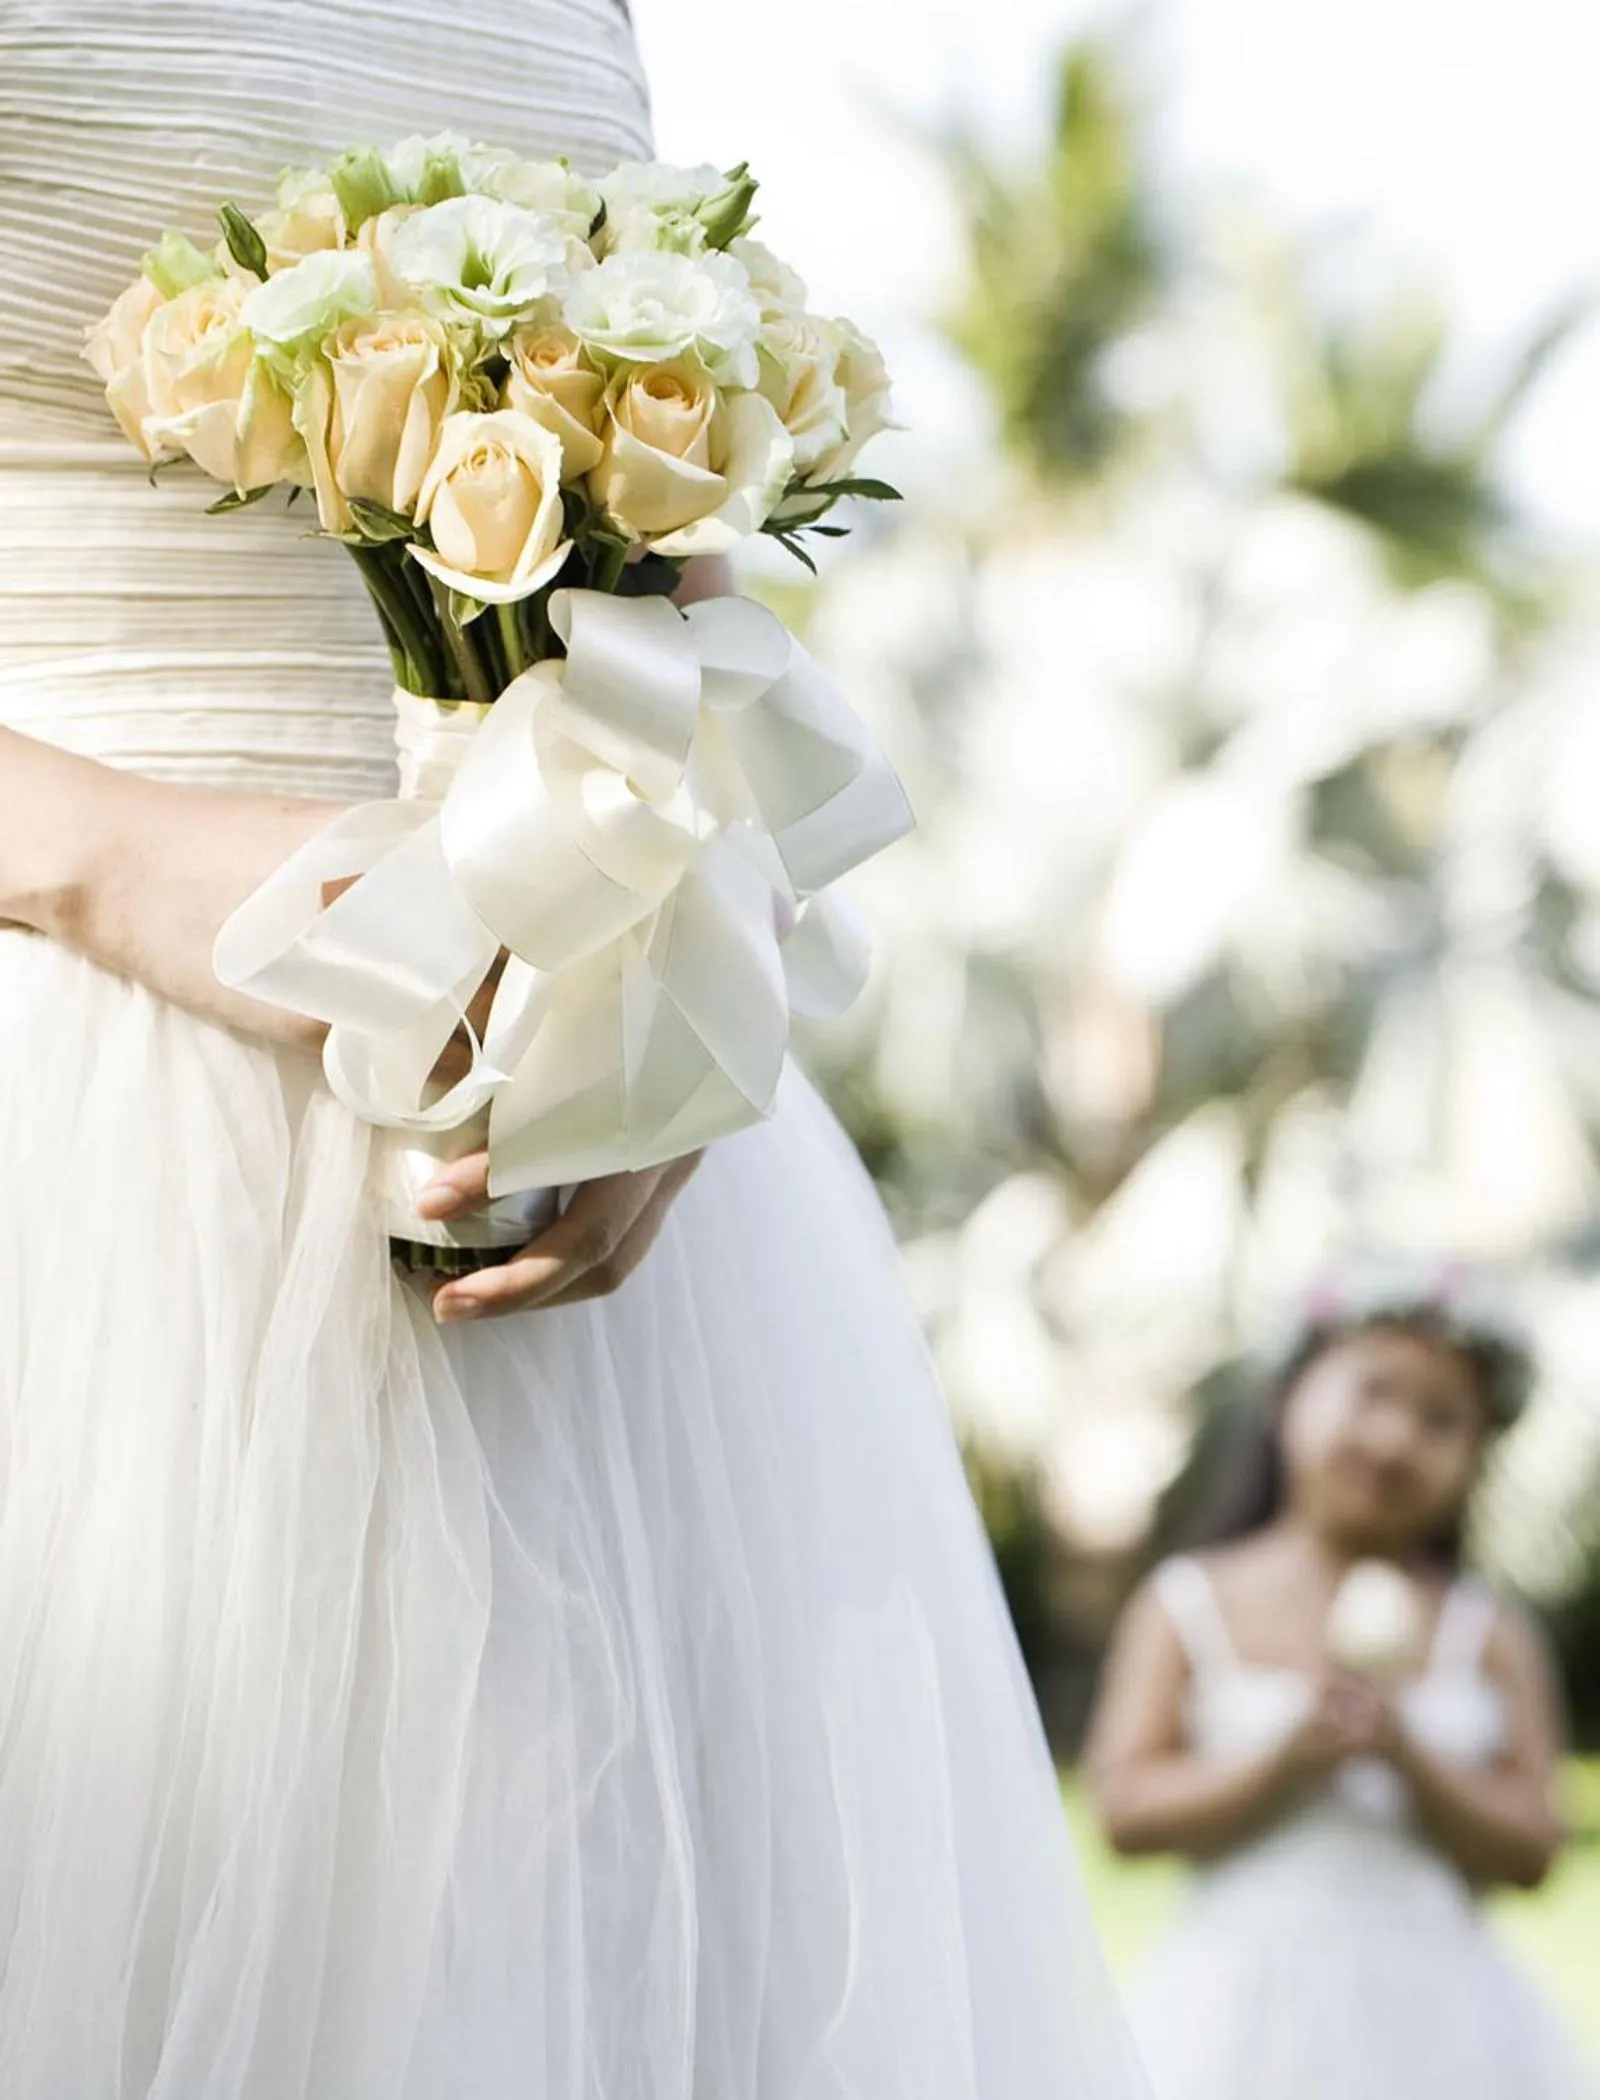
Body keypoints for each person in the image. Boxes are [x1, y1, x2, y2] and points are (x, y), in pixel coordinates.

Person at [0, 6, 1154, 2096]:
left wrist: (669, 990)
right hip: (67, 1102)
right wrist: (125, 874)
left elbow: (668, 573)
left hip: (575, 1177)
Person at [1085, 1266, 1595, 2100]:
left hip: (1444, 2025)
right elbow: (1125, 1814)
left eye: (1440, 1420)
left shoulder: (1489, 1631)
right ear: (1290, 1399)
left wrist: (1409, 1757)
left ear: (1476, 1457)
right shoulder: (1189, 1601)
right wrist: (1282, 1759)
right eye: (1372, 1392)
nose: (1395, 1439)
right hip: (1236, 2014)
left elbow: (1536, 1848)